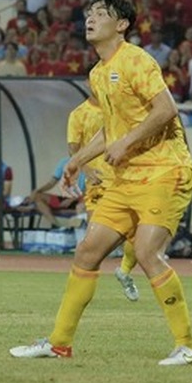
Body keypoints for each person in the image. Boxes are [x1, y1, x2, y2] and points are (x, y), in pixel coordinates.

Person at [11, 0, 192, 366]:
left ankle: (188, 346)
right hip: (126, 178)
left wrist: (128, 141)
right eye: (89, 14)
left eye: (101, 14)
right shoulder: (98, 74)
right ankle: (59, 343)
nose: (90, 19)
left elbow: (166, 109)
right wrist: (77, 160)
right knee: (87, 251)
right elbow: (111, 130)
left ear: (122, 25)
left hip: (164, 169)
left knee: (147, 253)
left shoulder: (136, 60)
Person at [67, 87, 140, 302]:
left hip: (123, 179)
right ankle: (84, 287)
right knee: (93, 241)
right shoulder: (79, 114)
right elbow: (73, 148)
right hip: (98, 182)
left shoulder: (116, 109)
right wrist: (87, 171)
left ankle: (125, 270)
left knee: (137, 234)